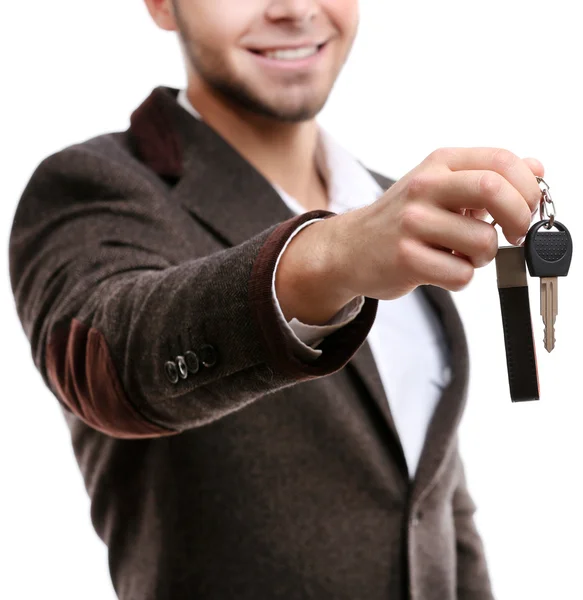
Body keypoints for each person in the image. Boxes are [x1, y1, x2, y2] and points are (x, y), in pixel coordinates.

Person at [8, 1, 544, 598]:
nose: (293, 8)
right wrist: (329, 257)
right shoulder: (91, 187)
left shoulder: (392, 203)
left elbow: (434, 505)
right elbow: (109, 366)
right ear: (163, 5)